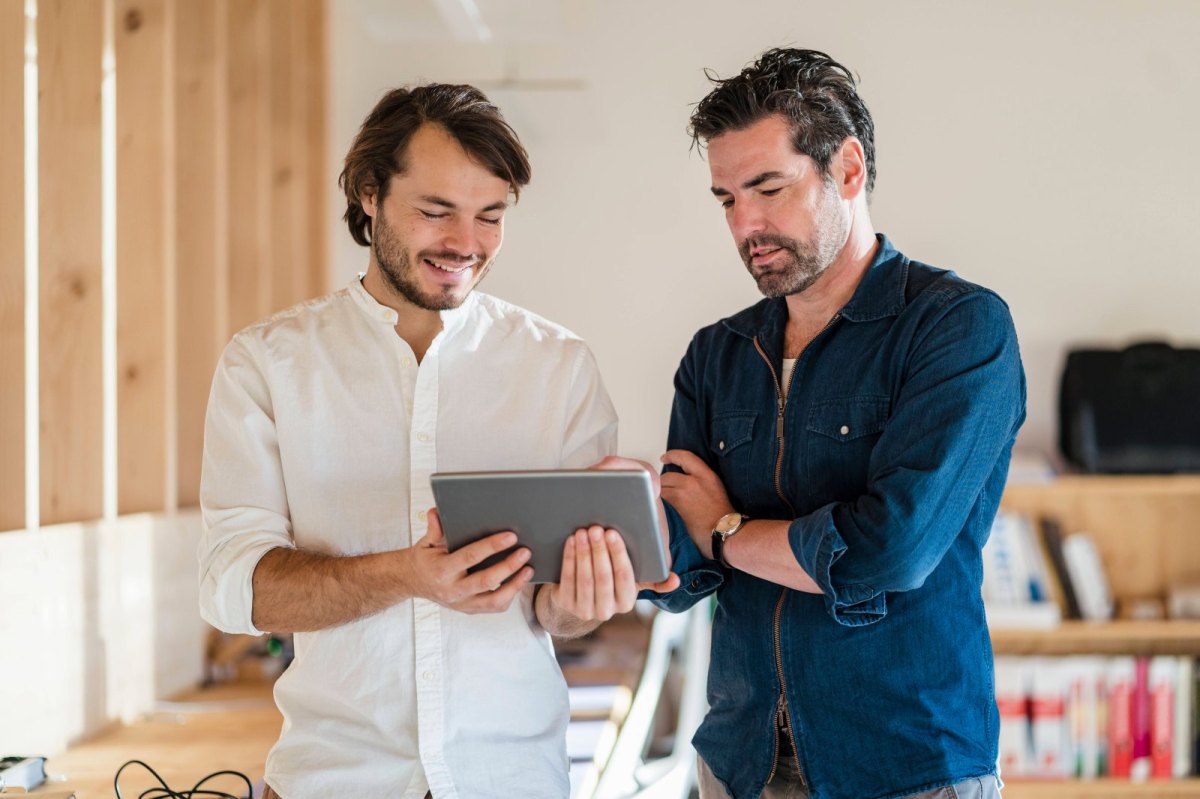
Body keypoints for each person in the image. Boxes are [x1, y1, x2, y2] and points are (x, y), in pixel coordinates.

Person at [198, 83, 676, 799]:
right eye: (435, 211)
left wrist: (588, 595)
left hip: (512, 780)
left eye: (490, 216)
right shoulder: (267, 362)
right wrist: (407, 574)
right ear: (368, 193)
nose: (466, 243)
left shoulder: (558, 365)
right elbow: (233, 588)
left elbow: (556, 611)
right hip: (333, 782)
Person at [647, 49, 1026, 799]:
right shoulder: (716, 354)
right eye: (726, 198)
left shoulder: (958, 328)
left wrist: (724, 524)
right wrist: (612, 531)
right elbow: (684, 573)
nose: (745, 223)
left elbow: (887, 553)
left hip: (906, 765)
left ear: (847, 170)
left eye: (767, 187)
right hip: (739, 762)